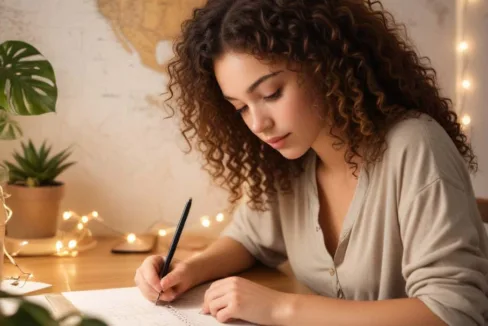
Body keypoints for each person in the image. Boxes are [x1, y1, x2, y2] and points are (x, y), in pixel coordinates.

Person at [134, 0, 488, 325]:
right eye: (240, 107)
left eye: (271, 94)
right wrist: (187, 270)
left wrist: (279, 308)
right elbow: (249, 238)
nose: (258, 124)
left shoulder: (414, 146)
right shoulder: (292, 161)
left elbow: (453, 311)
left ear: (326, 64)